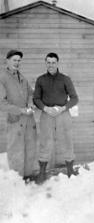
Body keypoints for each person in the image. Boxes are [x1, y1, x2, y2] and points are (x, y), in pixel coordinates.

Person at [33, 52, 79, 184]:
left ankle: (70, 170)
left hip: (63, 113)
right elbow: (36, 98)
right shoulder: (40, 80)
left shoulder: (65, 79)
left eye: (53, 62)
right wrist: (45, 108)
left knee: (67, 139)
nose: (51, 65)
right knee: (45, 141)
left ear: (57, 63)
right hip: (46, 113)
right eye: (48, 62)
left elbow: (75, 98)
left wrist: (63, 108)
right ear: (45, 63)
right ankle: (42, 172)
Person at [0, 49, 37, 181]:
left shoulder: (22, 77)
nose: (17, 62)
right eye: (14, 60)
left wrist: (30, 104)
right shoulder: (2, 77)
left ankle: (28, 179)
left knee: (30, 149)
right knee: (16, 151)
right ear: (7, 61)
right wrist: (20, 110)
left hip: (28, 120)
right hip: (15, 120)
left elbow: (31, 93)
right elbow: (1, 103)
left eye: (19, 60)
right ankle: (17, 182)